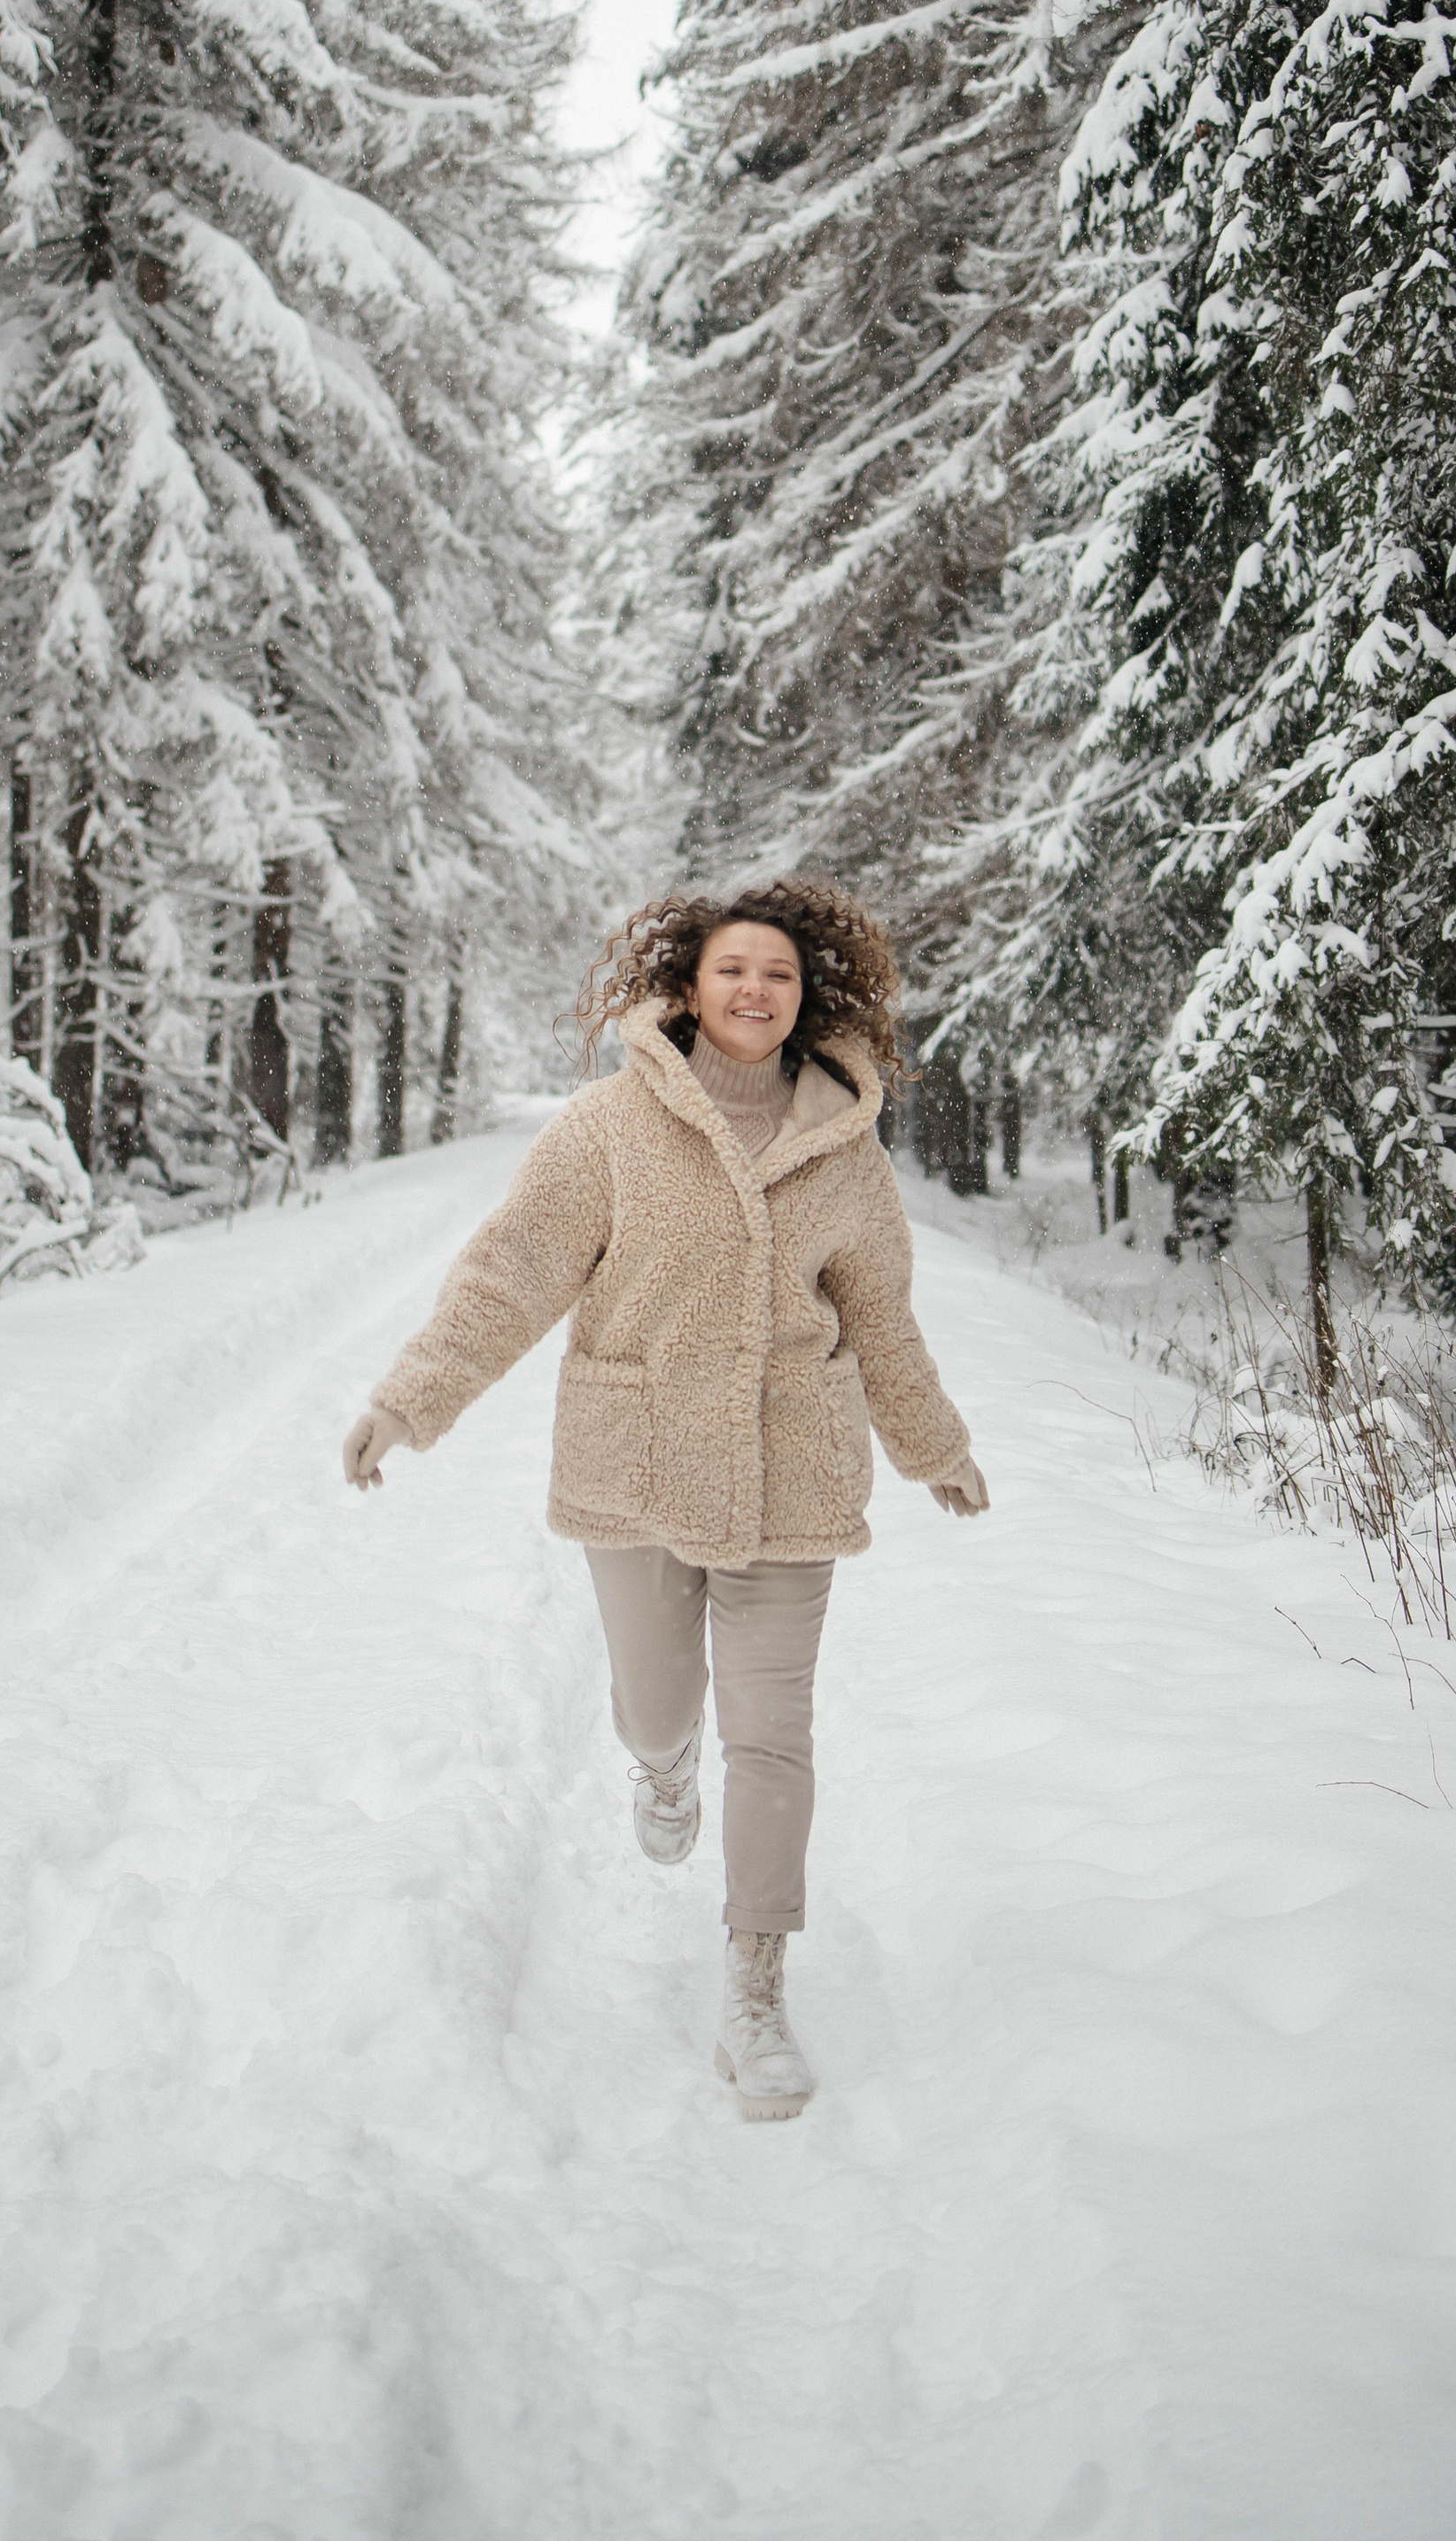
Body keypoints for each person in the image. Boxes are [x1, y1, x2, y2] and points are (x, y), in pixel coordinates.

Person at [342, 879, 990, 2122]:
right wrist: (410, 1399)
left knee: (776, 1732)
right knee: (658, 1703)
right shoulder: (605, 1127)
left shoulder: (845, 1145)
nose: (756, 991)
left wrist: (936, 1445)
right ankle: (662, 1767)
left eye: (780, 976)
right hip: (635, 1465)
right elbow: (512, 1276)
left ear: (809, 998)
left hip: (794, 1469)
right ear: (689, 987)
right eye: (734, 970)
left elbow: (885, 1325)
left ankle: (754, 1991)